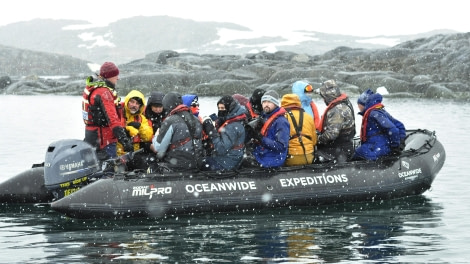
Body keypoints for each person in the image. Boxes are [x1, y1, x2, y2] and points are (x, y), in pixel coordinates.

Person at [82, 61, 133, 162]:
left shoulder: (94, 88)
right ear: (109, 76)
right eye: (115, 76)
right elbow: (112, 119)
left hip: (91, 137)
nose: (117, 78)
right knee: (108, 169)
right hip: (104, 140)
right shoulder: (104, 93)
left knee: (95, 165)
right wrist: (125, 141)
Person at [150, 92, 204, 173]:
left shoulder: (170, 120)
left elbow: (159, 148)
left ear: (167, 105)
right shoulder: (196, 120)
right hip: (197, 164)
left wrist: (156, 137)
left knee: (151, 167)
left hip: (177, 166)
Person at [352, 89, 406, 161]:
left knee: (357, 152)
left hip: (379, 147)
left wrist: (395, 147)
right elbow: (399, 125)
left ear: (363, 104)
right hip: (379, 145)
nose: (358, 107)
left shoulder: (374, 114)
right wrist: (401, 142)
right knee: (359, 150)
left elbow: (393, 129)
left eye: (359, 104)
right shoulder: (379, 111)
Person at [244, 90, 290, 168]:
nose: (266, 104)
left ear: (275, 104)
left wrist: (261, 138)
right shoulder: (263, 118)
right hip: (262, 154)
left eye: (269, 102)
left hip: (273, 159)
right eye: (264, 102)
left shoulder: (281, 122)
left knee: (243, 163)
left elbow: (281, 146)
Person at [200, 95, 247, 171]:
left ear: (230, 108)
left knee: (199, 163)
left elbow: (221, 149)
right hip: (229, 158)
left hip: (227, 162)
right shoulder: (232, 119)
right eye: (219, 108)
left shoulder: (233, 126)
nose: (220, 111)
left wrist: (211, 130)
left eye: (223, 108)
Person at [315, 80, 356, 163]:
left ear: (328, 97)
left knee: (315, 156)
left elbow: (331, 134)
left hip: (339, 149)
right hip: (346, 146)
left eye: (323, 97)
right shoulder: (345, 102)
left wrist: (317, 140)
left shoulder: (336, 110)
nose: (323, 99)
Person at [116, 90, 154, 170]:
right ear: (127, 101)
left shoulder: (141, 118)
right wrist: (127, 129)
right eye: (132, 102)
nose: (134, 105)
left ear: (140, 106)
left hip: (134, 155)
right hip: (117, 155)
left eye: (137, 104)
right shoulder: (117, 114)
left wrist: (139, 126)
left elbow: (148, 136)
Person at [280, 94, 317, 166]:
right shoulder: (308, 117)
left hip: (291, 158)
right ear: (298, 103)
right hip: (309, 157)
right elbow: (314, 141)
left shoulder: (282, 117)